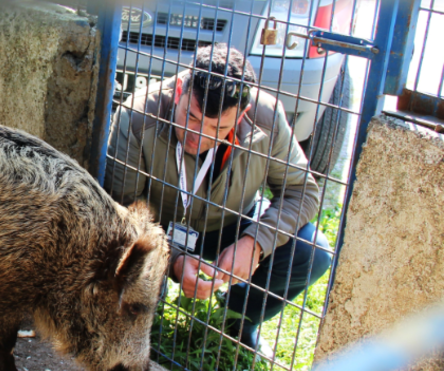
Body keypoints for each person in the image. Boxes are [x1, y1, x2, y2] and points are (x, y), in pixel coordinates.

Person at [104, 43, 333, 354]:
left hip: (232, 225)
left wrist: (255, 243)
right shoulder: (137, 116)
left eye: (219, 128)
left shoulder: (269, 119)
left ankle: (239, 321)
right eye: (192, 117)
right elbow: (121, 214)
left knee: (312, 252)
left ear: (243, 114)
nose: (200, 136)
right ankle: (146, 317)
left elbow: (302, 191)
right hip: (159, 229)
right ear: (181, 89)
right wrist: (171, 260)